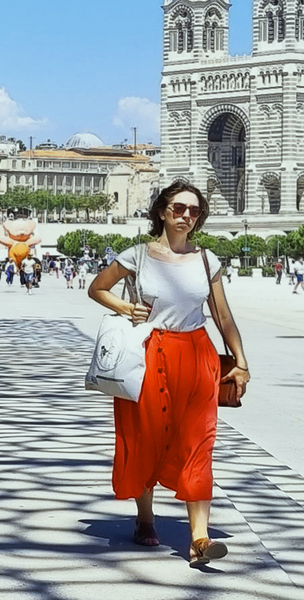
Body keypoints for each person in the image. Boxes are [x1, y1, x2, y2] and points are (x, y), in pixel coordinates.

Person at [88, 180, 250, 567]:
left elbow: (223, 315)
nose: (186, 216)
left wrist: (240, 361)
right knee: (145, 435)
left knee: (199, 440)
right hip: (146, 354)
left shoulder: (207, 260)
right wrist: (127, 310)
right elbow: (98, 288)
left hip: (196, 355)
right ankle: (146, 518)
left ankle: (199, 537)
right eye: (179, 208)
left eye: (194, 211)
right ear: (162, 211)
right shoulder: (138, 255)